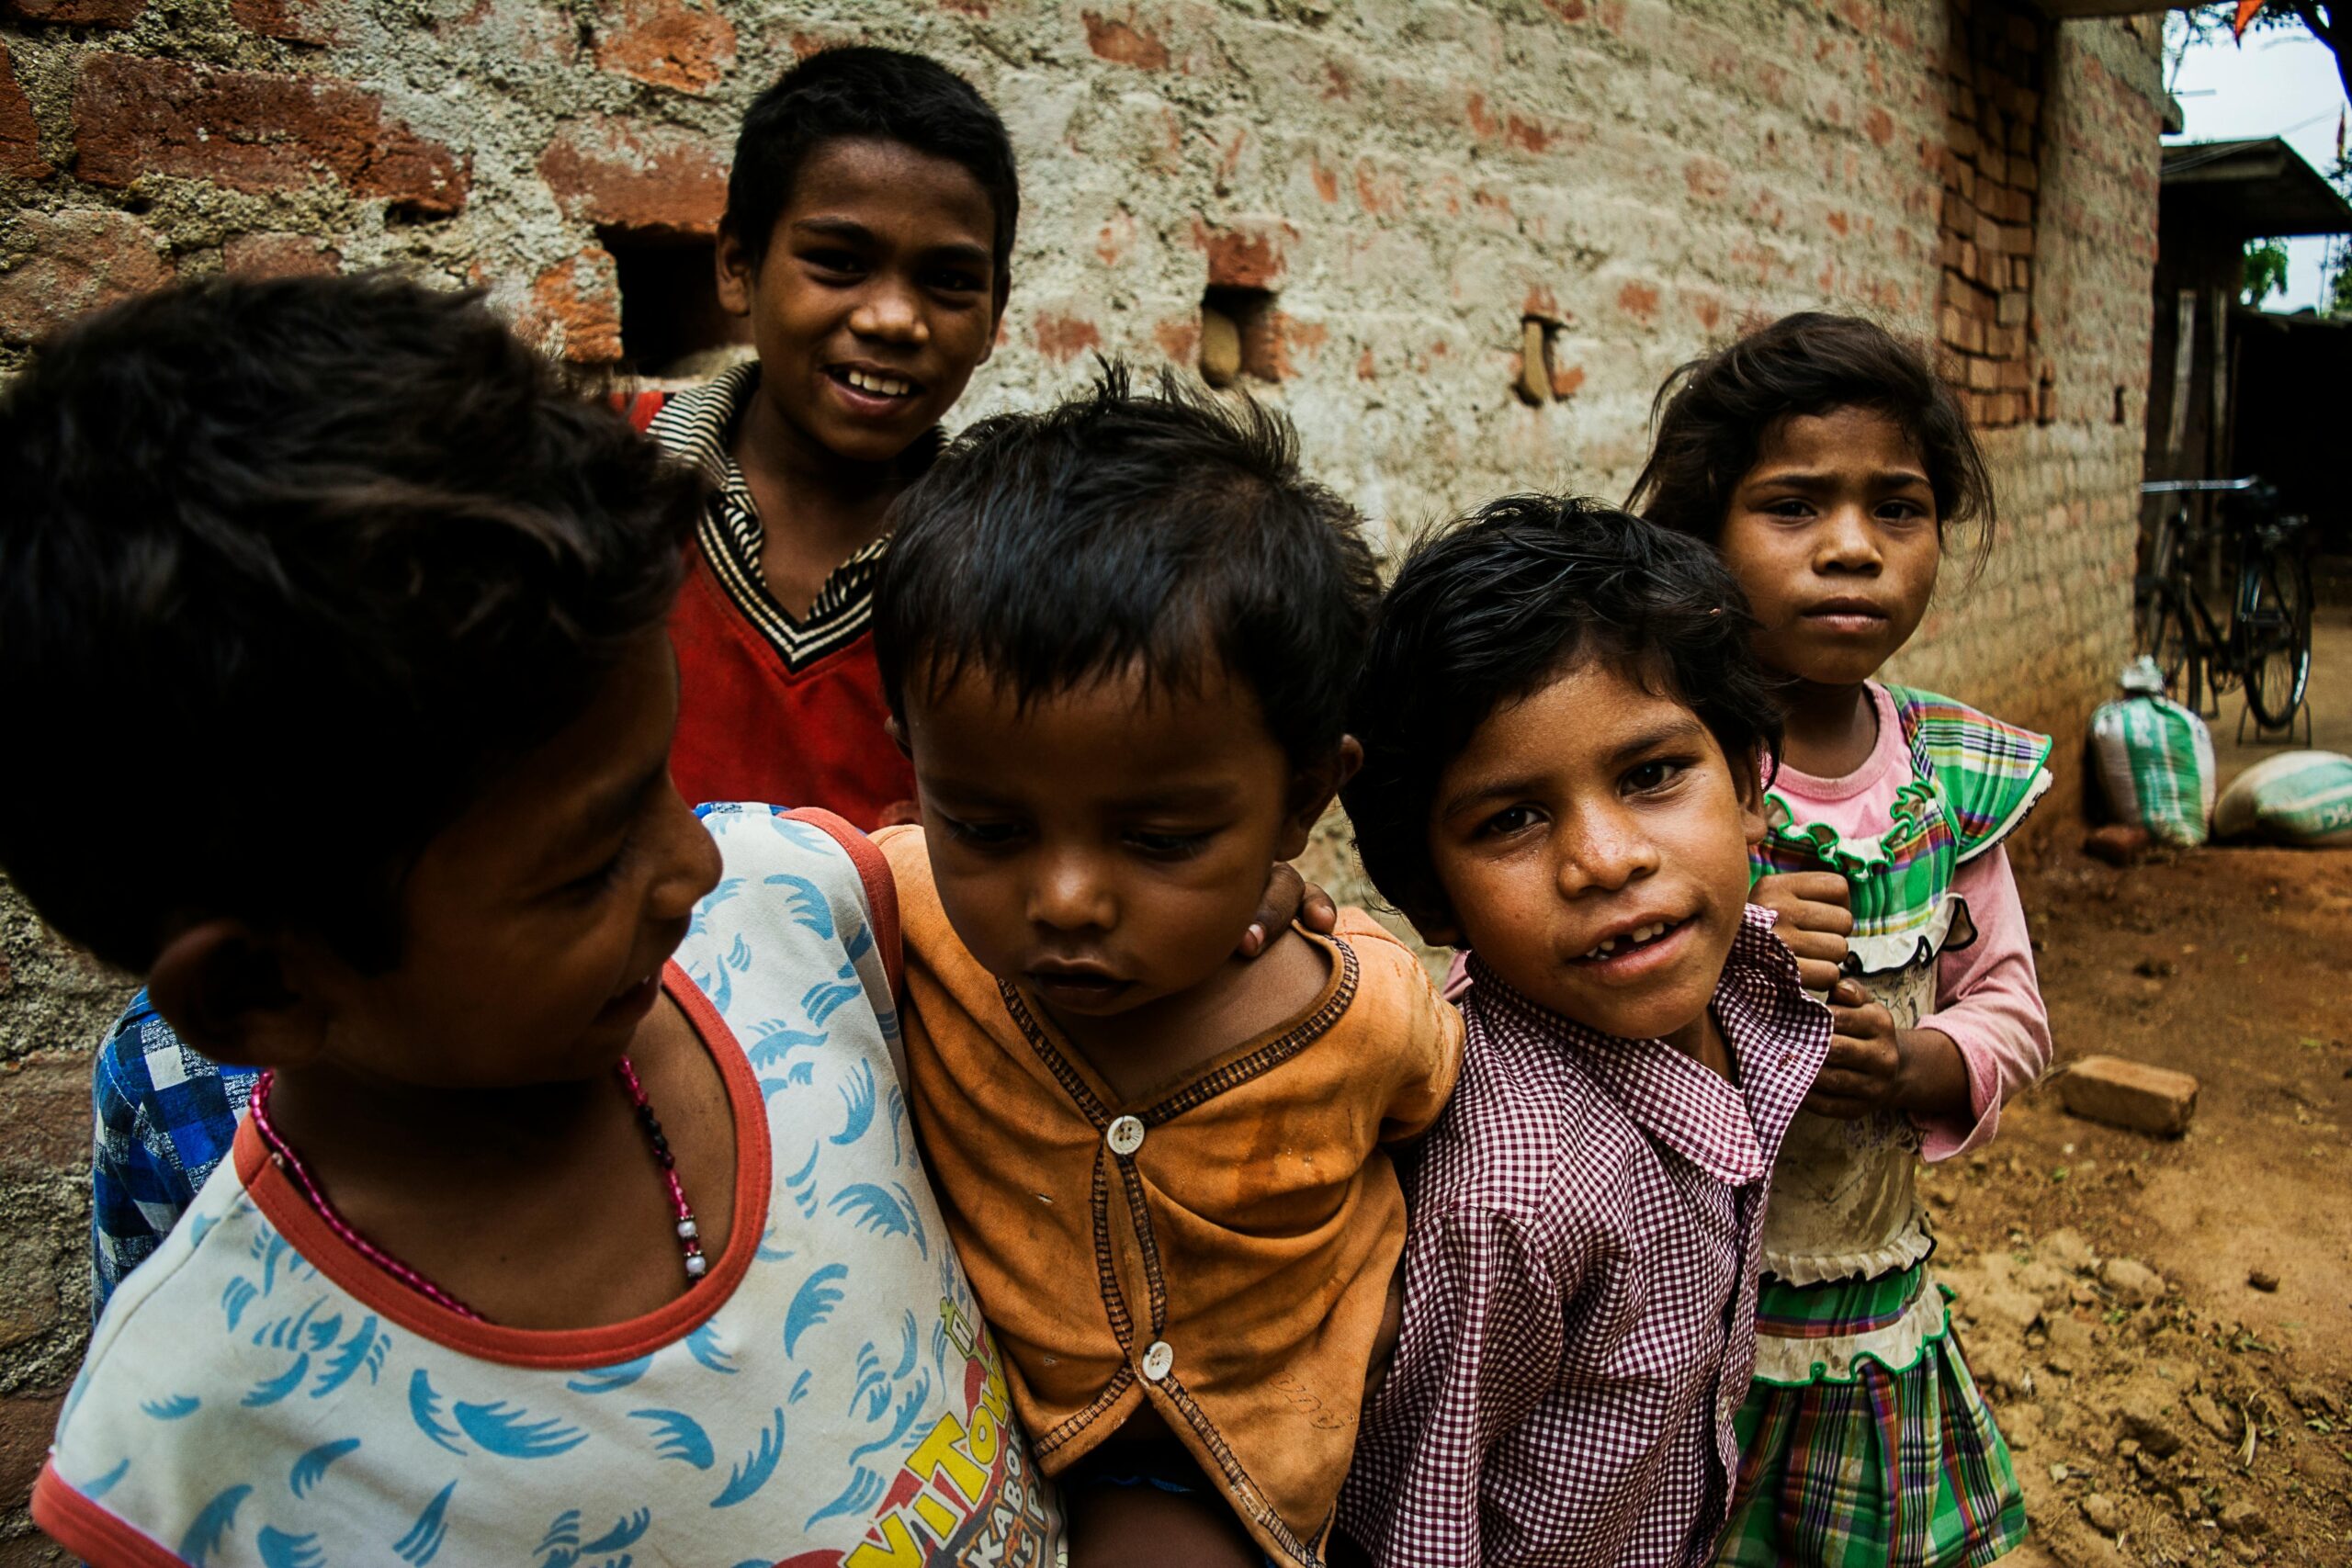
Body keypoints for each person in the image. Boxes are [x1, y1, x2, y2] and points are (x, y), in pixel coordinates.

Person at [8, 275, 1064, 1565]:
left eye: (668, 775)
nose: (691, 862)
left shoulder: (808, 907)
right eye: (588, 863)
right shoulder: (198, 1444)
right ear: (258, 994)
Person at [85, 43, 1021, 1313]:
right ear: (738, 268)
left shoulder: (1006, 580)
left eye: (948, 282)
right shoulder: (585, 510)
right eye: (839, 260)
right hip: (535, 1050)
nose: (893, 317)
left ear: (998, 311)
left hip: (852, 1100)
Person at [866, 371, 1464, 1568]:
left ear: (1301, 800)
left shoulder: (1362, 1008)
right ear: (915, 766)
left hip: (1246, 1452)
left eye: (1159, 840)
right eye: (985, 824)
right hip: (976, 1426)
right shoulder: (891, 912)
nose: (1067, 899)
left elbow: (1430, 1098)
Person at [1333, 498, 1833, 1567]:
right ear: (1432, 900)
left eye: (1651, 775)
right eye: (1509, 818)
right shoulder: (1514, 1194)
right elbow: (1413, 1524)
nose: (1605, 859)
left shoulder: (1746, 984)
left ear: (1750, 785)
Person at [1630, 311, 2049, 1566]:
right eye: (1796, 506)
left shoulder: (1949, 773)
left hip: (1864, 1294)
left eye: (1899, 508)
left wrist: (1923, 1060)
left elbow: (2012, 1003)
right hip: (1684, 1312)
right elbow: (1549, 993)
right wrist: (1727, 935)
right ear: (1705, 536)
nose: (1853, 549)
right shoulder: (1662, 760)